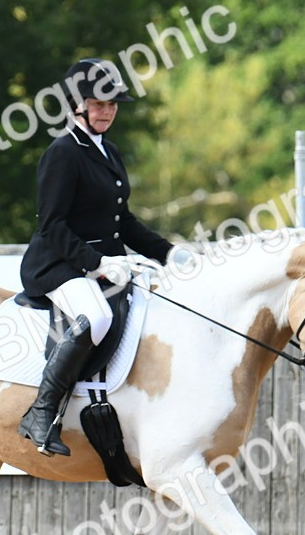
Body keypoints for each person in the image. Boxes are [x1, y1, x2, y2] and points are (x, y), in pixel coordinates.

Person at [17, 58, 193, 456]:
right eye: (98, 104)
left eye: (112, 105)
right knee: (96, 317)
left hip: (107, 263)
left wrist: (170, 253)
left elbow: (122, 221)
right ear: (76, 105)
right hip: (58, 264)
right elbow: (52, 226)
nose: (107, 111)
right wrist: (95, 263)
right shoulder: (63, 153)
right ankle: (42, 411)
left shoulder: (108, 151)